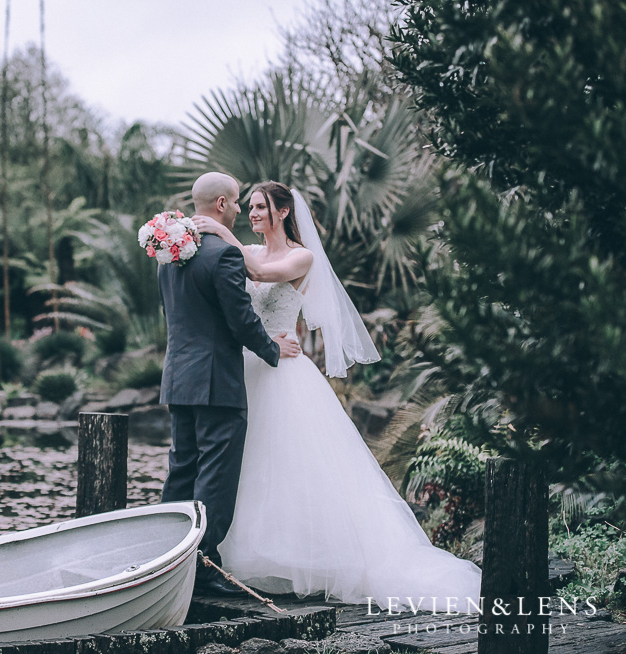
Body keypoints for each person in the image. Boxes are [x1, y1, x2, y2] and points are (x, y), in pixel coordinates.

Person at [192, 181, 482, 612]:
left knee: (294, 463)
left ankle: (309, 560)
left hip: (285, 373)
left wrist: (221, 232)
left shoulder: (300, 256)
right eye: (249, 207)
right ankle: (240, 559)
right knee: (246, 464)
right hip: (249, 368)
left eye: (260, 207)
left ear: (284, 211)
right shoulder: (249, 252)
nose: (252, 214)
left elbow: (260, 276)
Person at [158, 172, 301, 597]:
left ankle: (168, 559)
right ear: (221, 204)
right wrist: (272, 349)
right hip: (216, 381)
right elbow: (241, 321)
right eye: (239, 202)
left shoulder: (170, 254)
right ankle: (204, 567)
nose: (241, 210)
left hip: (178, 379)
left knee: (181, 471)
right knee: (215, 478)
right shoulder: (223, 254)